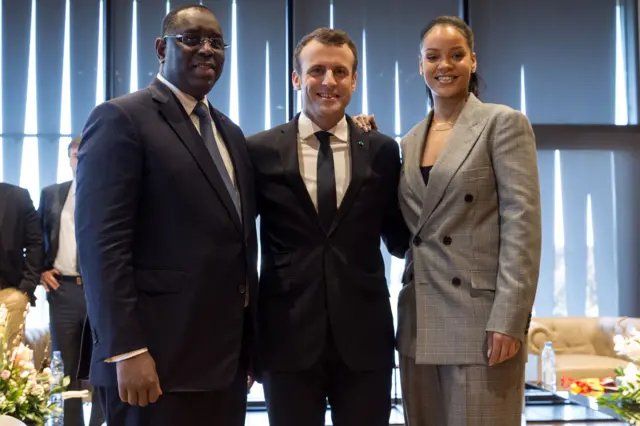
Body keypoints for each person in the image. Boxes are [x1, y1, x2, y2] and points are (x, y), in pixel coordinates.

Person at [75, 4, 258, 426]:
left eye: (216, 42)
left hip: (222, 364)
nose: (207, 50)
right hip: (152, 362)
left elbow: (237, 242)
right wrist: (127, 349)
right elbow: (102, 245)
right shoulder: (122, 118)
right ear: (161, 48)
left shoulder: (230, 132)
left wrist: (250, 346)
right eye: (191, 39)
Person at [356, 16, 541, 426]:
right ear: (419, 65)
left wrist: (509, 320)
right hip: (418, 321)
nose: (445, 65)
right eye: (433, 56)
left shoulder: (501, 123)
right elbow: (405, 237)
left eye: (456, 55)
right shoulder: (407, 140)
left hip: (481, 323)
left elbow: (522, 226)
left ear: (473, 61)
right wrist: (363, 147)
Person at [247, 28, 409, 426]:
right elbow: (236, 243)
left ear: (354, 80)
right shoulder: (259, 150)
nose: (329, 81)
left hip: (365, 339)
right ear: (297, 78)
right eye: (317, 70)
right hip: (286, 337)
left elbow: (400, 239)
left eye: (340, 71)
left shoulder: (382, 150)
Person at [38, 136, 104, 426]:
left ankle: (102, 421)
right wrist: (40, 269)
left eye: (84, 154)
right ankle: (71, 423)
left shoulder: (108, 193)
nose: (80, 160)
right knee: (66, 366)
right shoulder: (52, 194)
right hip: (63, 291)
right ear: (69, 159)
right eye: (75, 155)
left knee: (101, 362)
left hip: (98, 290)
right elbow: (37, 235)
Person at [0, 183, 43, 352]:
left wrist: (26, 288)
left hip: (9, 294)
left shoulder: (17, 196)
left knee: (8, 364)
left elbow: (36, 243)